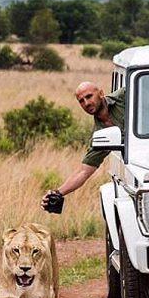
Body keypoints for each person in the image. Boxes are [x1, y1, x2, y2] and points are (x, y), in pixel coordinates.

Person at [41, 81, 125, 210]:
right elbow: (83, 171)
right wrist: (57, 193)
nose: (86, 103)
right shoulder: (100, 134)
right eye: (81, 101)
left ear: (101, 93)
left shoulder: (123, 96)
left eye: (89, 96)